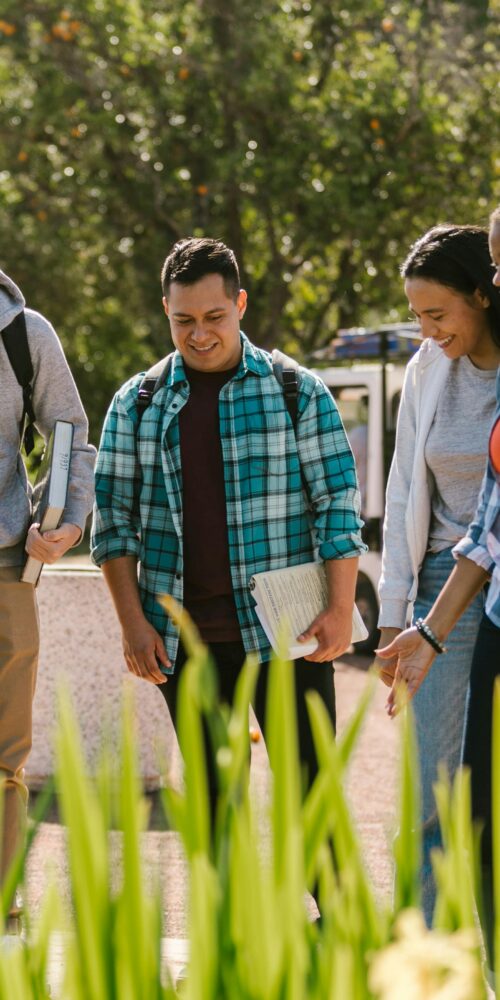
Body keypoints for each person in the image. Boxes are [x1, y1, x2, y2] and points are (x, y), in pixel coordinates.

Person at [91, 236, 365, 863]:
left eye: (215, 317)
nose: (200, 333)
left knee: (310, 793)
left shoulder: (299, 391)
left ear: (240, 304)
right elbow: (114, 523)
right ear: (166, 312)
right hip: (185, 640)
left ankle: (330, 941)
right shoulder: (136, 405)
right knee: (217, 804)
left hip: (287, 630)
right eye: (184, 320)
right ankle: (230, 942)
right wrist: (132, 626)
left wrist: (342, 607)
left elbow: (338, 506)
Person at [378, 206, 500, 962]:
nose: (426, 330)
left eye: (436, 313)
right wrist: (399, 615)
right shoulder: (427, 370)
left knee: (485, 785)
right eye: (417, 315)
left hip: (491, 590)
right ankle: (422, 954)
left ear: (480, 294)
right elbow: (401, 493)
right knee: (432, 787)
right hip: (437, 589)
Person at [0, 270, 95, 933]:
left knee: (3, 754)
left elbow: (68, 436)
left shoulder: (22, 334)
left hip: (5, 570)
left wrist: (62, 518)